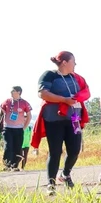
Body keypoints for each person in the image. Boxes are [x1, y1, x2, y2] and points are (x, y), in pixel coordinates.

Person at [31, 51, 90, 195]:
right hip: (54, 120)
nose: (75, 64)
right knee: (55, 151)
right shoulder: (49, 75)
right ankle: (51, 184)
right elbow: (42, 93)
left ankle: (65, 174)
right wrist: (64, 100)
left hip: (73, 119)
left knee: (75, 150)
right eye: (73, 61)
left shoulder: (75, 78)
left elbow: (85, 91)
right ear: (64, 62)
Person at [0, 86, 33, 171]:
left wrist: (24, 127)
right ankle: (7, 165)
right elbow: (0, 112)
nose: (11, 92)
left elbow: (29, 116)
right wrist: (2, 122)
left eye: (13, 91)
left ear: (19, 92)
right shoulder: (7, 101)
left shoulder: (24, 103)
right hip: (8, 128)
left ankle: (15, 166)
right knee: (8, 146)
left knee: (17, 147)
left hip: (19, 128)